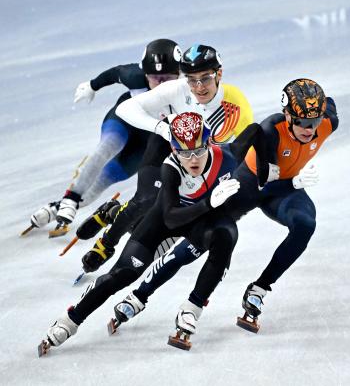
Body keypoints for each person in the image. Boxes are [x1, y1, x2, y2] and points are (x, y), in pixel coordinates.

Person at [112, 78, 339, 334]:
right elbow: (266, 173)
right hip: (249, 184)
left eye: (315, 121)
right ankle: (140, 295)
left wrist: (294, 177)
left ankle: (260, 288)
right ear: (287, 115)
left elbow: (328, 105)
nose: (310, 129)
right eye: (302, 122)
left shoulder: (328, 121)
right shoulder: (271, 128)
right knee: (198, 244)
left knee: (305, 225)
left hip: (282, 190)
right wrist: (296, 178)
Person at [38, 112, 270, 356]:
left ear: (210, 143)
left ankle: (192, 307)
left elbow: (256, 130)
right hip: (165, 221)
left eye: (199, 151)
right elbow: (170, 217)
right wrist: (209, 203)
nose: (192, 159)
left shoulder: (229, 156)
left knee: (226, 234)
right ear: (173, 149)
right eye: (184, 153)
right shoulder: (171, 168)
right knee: (123, 274)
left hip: (202, 223)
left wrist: (264, 171)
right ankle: (70, 320)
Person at [80, 44, 254, 274]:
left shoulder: (236, 103)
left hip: (199, 158)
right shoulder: (176, 89)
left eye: (205, 78)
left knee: (158, 225)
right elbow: (125, 109)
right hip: (165, 145)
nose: (198, 87)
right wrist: (162, 128)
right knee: (146, 198)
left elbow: (243, 151)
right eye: (191, 79)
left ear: (219, 74)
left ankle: (112, 212)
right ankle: (106, 245)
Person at [26, 39, 182, 236]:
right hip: (123, 121)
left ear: (180, 74)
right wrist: (91, 86)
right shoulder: (134, 76)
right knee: (107, 148)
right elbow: (114, 73)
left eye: (167, 78)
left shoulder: (187, 91)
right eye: (154, 78)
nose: (160, 84)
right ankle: (70, 198)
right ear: (145, 74)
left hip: (145, 144)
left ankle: (57, 207)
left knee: (101, 183)